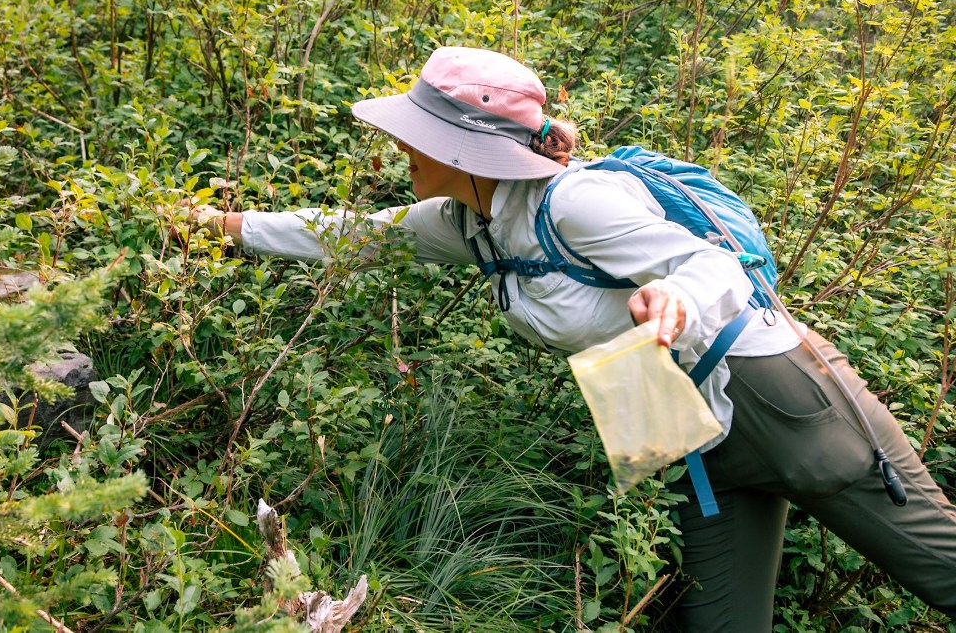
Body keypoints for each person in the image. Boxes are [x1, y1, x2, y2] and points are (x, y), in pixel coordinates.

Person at [187, 46, 956, 630]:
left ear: (468, 145)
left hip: (786, 401)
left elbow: (711, 263)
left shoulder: (574, 202)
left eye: (416, 136)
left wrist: (676, 298)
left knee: (943, 568)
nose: (402, 150)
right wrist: (219, 228)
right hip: (698, 436)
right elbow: (351, 233)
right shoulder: (469, 220)